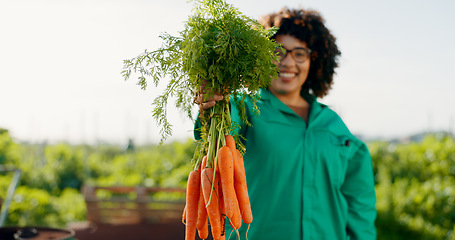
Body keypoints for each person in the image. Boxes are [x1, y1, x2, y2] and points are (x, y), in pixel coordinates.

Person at [194, 7, 377, 240]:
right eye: (277, 51)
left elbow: (360, 206)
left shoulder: (334, 125)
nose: (288, 62)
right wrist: (212, 104)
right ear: (259, 58)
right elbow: (212, 137)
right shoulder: (243, 108)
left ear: (314, 60)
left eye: (299, 53)